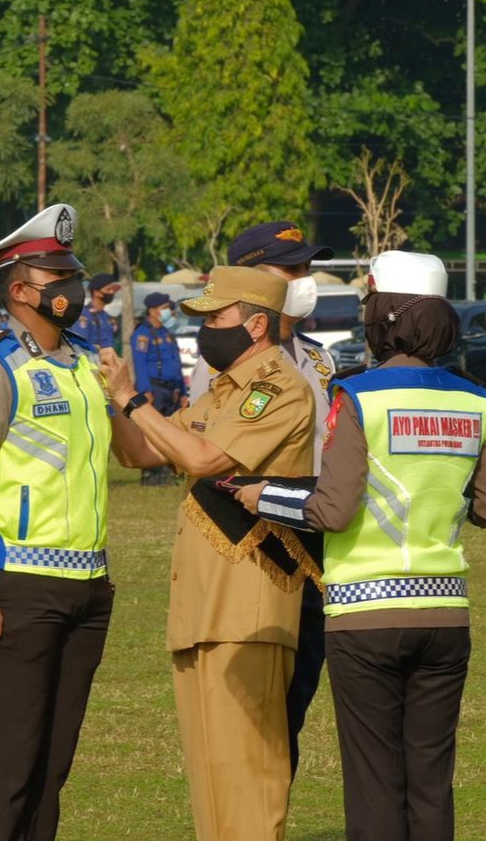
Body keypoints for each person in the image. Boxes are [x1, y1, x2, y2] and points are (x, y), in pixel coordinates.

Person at [237, 251, 486, 841]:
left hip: (365, 613)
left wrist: (263, 497)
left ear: (382, 317)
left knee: (374, 783)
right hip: (445, 614)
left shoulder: (357, 397)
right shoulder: (475, 402)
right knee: (430, 783)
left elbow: (332, 510)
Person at [100, 265, 316, 841]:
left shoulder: (278, 389)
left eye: (215, 318)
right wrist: (108, 401)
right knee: (210, 774)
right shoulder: (223, 391)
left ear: (256, 325)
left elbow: (201, 460)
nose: (204, 330)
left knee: (249, 771)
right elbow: (142, 451)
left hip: (251, 602)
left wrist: (131, 398)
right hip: (203, 604)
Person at [0, 203, 115, 841]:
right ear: (19, 290)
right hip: (16, 588)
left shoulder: (89, 364)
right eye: (58, 279)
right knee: (5, 767)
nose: (74, 290)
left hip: (89, 587)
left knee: (52, 768)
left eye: (73, 274)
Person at [189, 220, 336, 777]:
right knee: (257, 714)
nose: (305, 280)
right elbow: (209, 460)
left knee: (293, 702)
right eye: (291, 269)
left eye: (306, 268)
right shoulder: (223, 360)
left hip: (317, 542)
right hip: (256, 546)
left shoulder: (316, 357)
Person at [130, 292, 187, 485]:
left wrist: (182, 390)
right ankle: (151, 474)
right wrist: (146, 390)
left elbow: (176, 363)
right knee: (152, 431)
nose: (169, 312)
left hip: (172, 389)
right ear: (153, 311)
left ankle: (167, 470)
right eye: (165, 308)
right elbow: (140, 364)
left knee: (169, 430)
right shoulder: (143, 334)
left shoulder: (166, 332)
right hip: (154, 388)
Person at [71, 272, 120, 351]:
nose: (112, 292)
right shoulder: (84, 315)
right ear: (96, 292)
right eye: (108, 289)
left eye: (113, 289)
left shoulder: (106, 316)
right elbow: (80, 345)